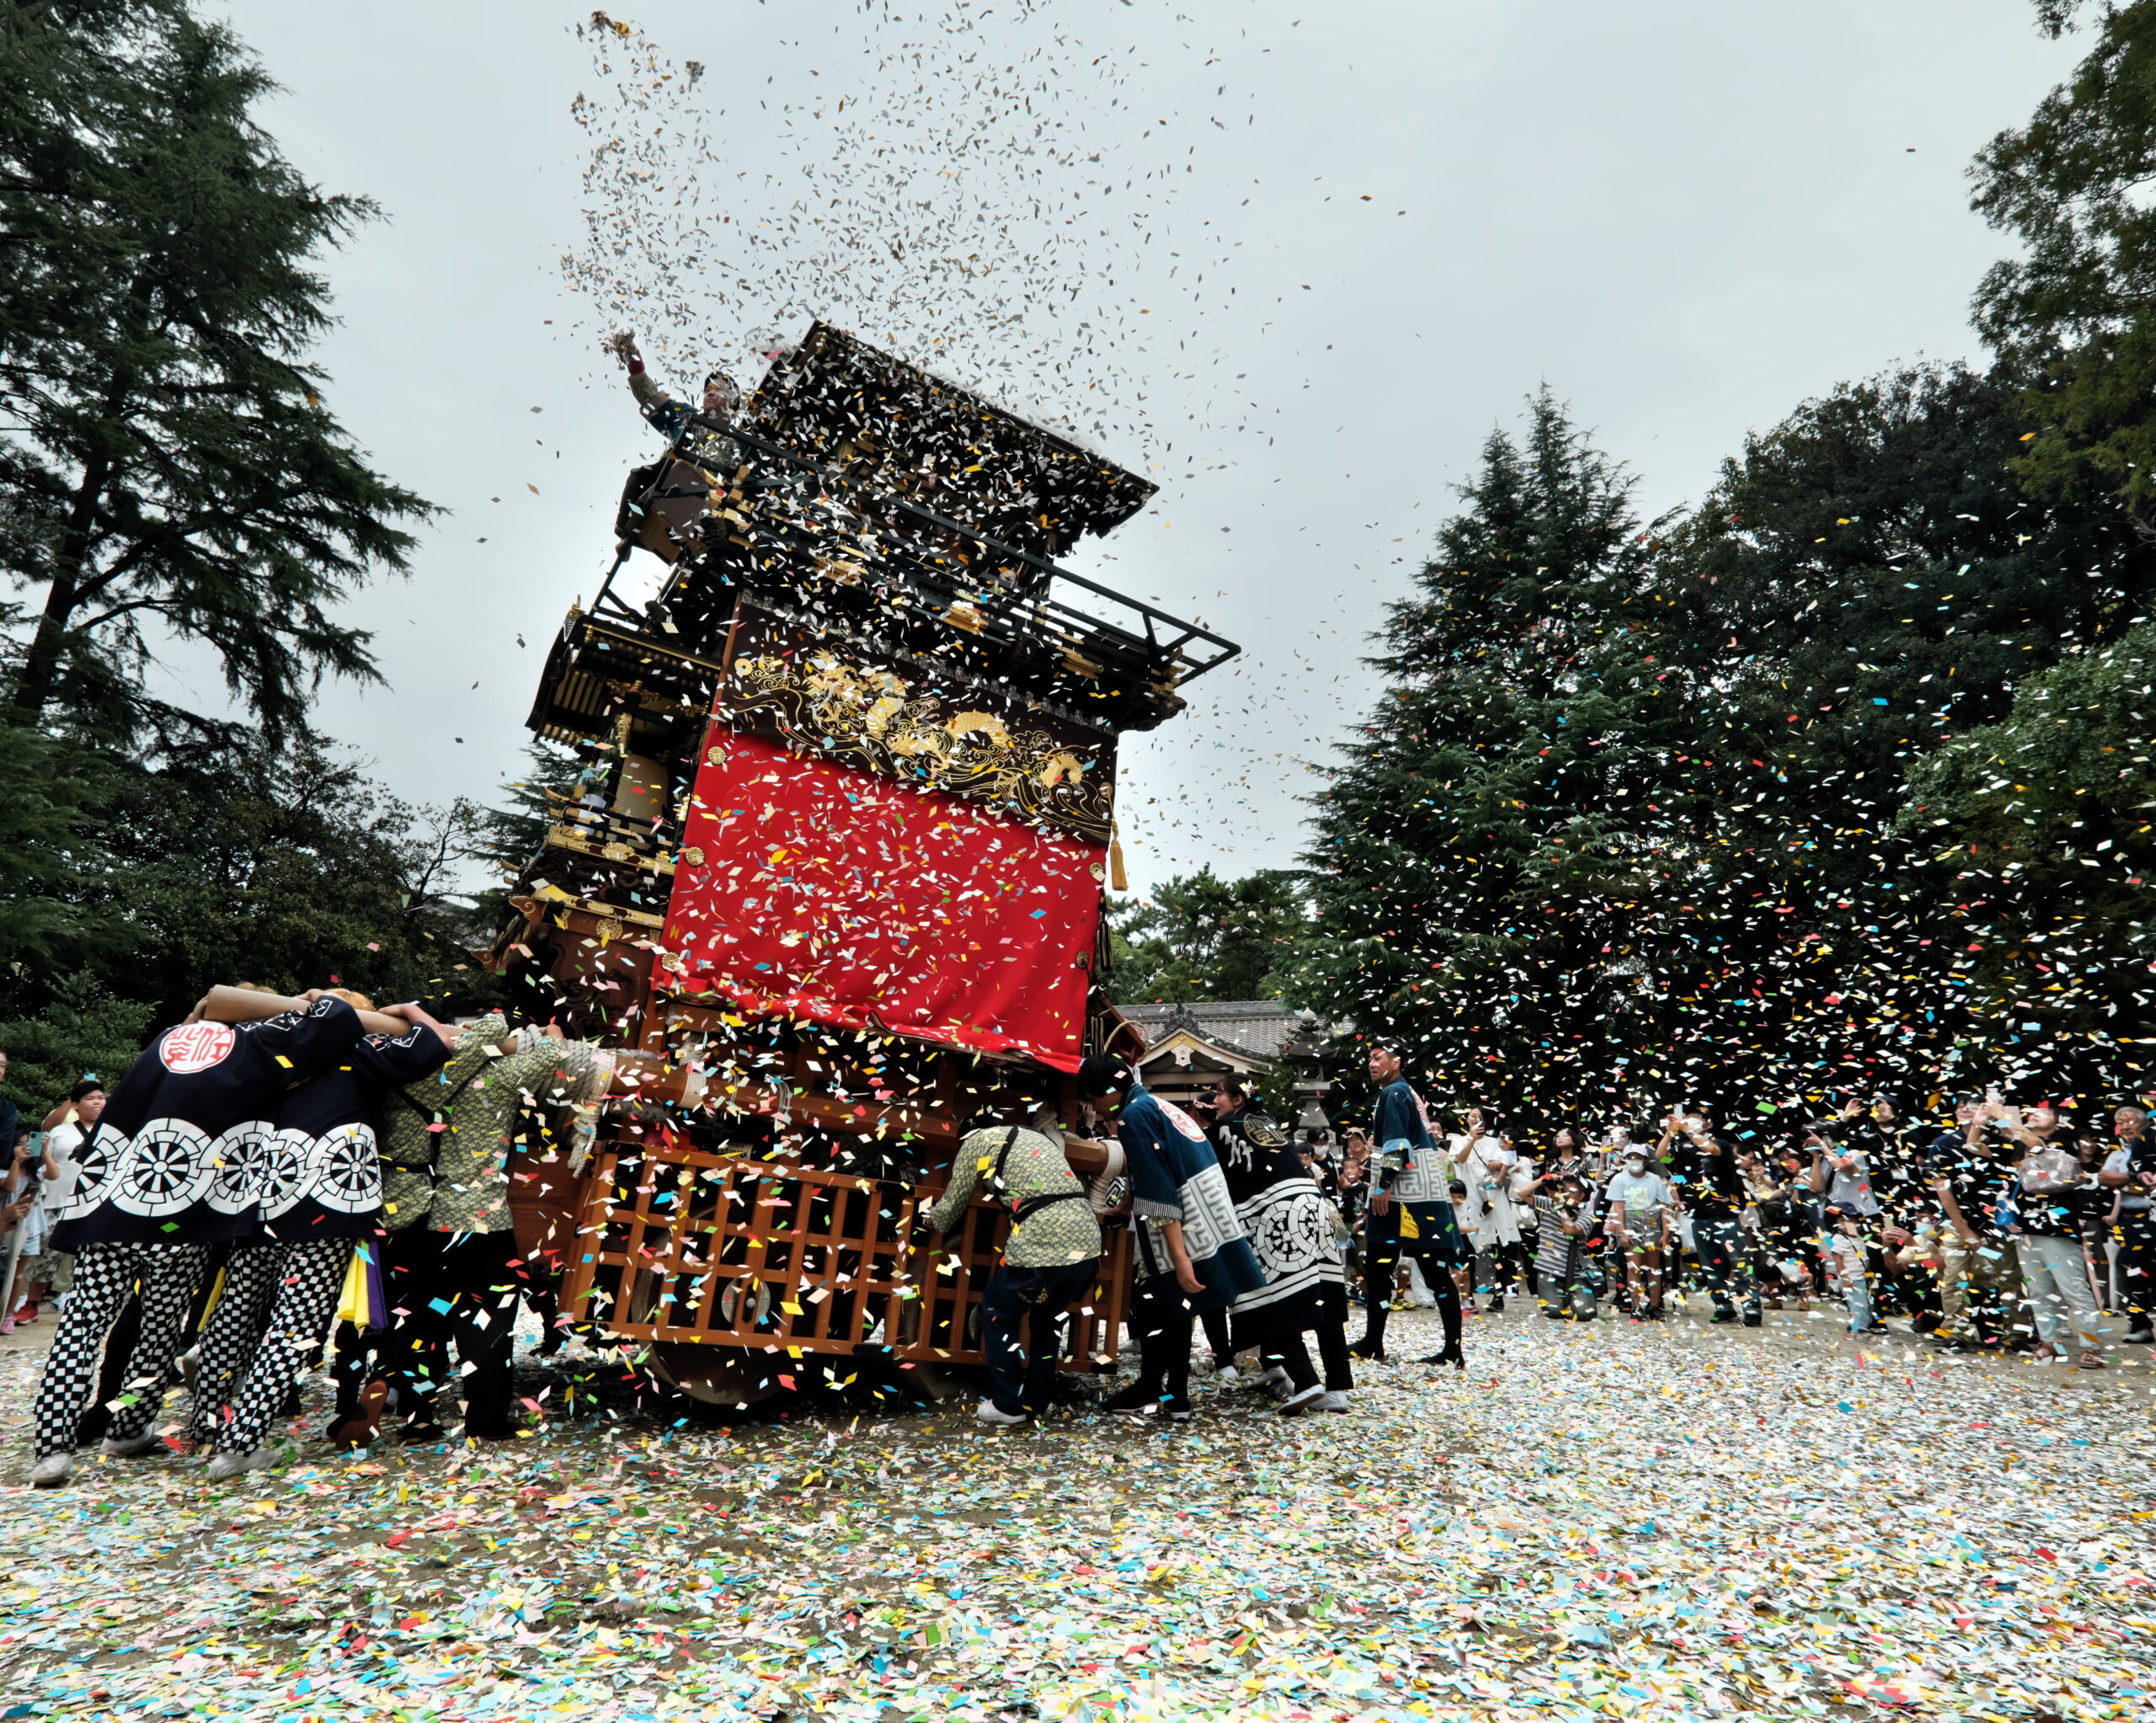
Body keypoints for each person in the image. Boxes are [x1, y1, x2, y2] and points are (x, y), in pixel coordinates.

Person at [28, 993, 365, 1487]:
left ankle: (53, 1451)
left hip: (109, 1204)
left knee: (80, 1326)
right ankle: (126, 1426)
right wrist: (307, 999)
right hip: (177, 1214)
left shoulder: (167, 1042)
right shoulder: (251, 1044)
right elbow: (335, 1018)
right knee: (160, 1327)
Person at [185, 992, 454, 1475]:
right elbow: (433, 1042)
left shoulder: (265, 1046)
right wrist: (407, 1013)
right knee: (296, 1324)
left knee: (236, 1310)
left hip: (259, 1191)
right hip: (323, 1197)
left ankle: (207, 1426)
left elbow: (202, 1026)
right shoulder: (353, 1051)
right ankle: (238, 1444)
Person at [355, 1011, 609, 1444]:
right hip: (479, 1222)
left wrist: (406, 1017)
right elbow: (528, 1044)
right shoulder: (500, 1081)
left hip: (407, 1219)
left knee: (416, 1322)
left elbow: (469, 1046)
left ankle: (417, 1418)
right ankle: (485, 1421)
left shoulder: (395, 1081)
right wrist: (550, 1033)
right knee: (487, 1327)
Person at [1076, 1054, 1263, 1422]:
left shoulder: (1135, 1115)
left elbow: (1160, 1186)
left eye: (1094, 1099)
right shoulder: (1159, 1105)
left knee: (1158, 1308)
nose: (1095, 1108)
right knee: (1177, 1310)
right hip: (1209, 1215)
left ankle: (1156, 1387)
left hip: (1182, 1223)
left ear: (1110, 1091)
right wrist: (1131, 1201)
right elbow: (1155, 1168)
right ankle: (1175, 1395)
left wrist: (1180, 1257)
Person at [924, 1110, 1102, 1427]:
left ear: (967, 1134)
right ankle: (1036, 1402)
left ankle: (1008, 1403)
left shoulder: (976, 1142)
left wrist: (932, 1218)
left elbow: (952, 1207)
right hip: (1087, 1244)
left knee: (995, 1312)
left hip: (1042, 1243)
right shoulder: (1038, 1139)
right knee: (1048, 1321)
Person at [1205, 1079, 1351, 1415]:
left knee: (1270, 1297)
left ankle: (1305, 1381)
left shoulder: (1224, 1127)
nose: (1214, 1101)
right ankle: (1334, 1386)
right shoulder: (1266, 1121)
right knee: (1325, 1299)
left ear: (1238, 1099)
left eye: (1220, 1094)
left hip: (1277, 1214)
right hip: (1315, 1208)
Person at [1355, 1041, 1467, 1368]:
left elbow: (1398, 1144)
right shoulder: (1407, 1092)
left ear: (1397, 1061)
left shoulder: (1393, 1093)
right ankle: (1450, 1348)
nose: (1372, 1063)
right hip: (1425, 1191)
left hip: (1404, 1194)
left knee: (1381, 1270)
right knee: (1429, 1273)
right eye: (1369, 1059)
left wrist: (1384, 1185)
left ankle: (1377, 1342)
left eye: (1378, 1058)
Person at [2007, 1106, 2105, 1369]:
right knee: (2038, 1289)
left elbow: (2042, 1166)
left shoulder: (2068, 1143)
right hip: (2025, 1229)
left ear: (2057, 1119)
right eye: (2031, 1112)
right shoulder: (2020, 1145)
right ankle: (2048, 1341)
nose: (2034, 1114)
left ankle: (2091, 1347)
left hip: (2058, 1229)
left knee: (2073, 1289)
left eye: (2043, 1111)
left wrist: (2005, 1115)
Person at [1929, 1099, 2025, 1351]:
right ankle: (1957, 1333)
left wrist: (2004, 1119)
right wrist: (1964, 1230)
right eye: (1961, 1106)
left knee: (2010, 1277)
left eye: (1974, 1107)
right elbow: (1943, 1190)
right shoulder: (1944, 1144)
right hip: (1959, 1221)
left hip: (2002, 1222)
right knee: (1955, 1278)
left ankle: (2016, 1334)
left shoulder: (2006, 1141)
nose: (1964, 1110)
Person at [1668, 1112, 1761, 1326]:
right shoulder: (1684, 1147)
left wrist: (1686, 1129)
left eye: (1696, 1119)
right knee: (1710, 1265)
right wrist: (1669, 1134)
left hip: (1726, 1215)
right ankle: (1723, 1306)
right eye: (1688, 1119)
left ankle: (1752, 1307)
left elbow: (1710, 1150)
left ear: (1708, 1123)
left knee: (1739, 1262)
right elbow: (1660, 1158)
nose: (1690, 1122)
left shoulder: (1720, 1144)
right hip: (1699, 1215)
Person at [607, 329, 742, 462]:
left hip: (708, 482)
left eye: (718, 389)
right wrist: (633, 358)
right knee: (639, 477)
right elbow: (649, 397)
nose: (711, 393)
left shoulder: (741, 441)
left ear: (734, 400)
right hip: (671, 477)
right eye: (707, 390)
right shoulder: (686, 416)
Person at [1449, 1109, 1522, 1314]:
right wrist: (1471, 1140)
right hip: (1470, 1196)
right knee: (1469, 1246)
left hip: (1494, 1195)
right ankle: (1467, 1295)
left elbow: (1509, 1160)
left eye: (1479, 1115)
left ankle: (1498, 1296)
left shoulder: (1495, 1141)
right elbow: (1459, 1160)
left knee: (1500, 1245)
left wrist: (1500, 1164)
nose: (1475, 1118)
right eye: (1472, 1115)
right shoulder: (1459, 1140)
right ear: (1466, 1119)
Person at [2099, 1104, 2155, 1344]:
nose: (2126, 1126)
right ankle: (2139, 1324)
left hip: (2151, 1212)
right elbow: (2103, 1178)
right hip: (2131, 1218)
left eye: (2131, 1121)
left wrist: (2124, 1184)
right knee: (2133, 1269)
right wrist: (2133, 1179)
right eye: (2121, 1122)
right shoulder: (2117, 1154)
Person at [1604, 1144, 1674, 1320]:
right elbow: (1618, 1207)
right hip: (1630, 1221)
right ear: (1625, 1160)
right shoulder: (1619, 1179)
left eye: (1638, 1157)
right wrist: (1622, 1232)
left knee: (1654, 1267)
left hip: (1651, 1221)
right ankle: (1636, 1306)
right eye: (1631, 1157)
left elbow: (1664, 1207)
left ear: (1645, 1160)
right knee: (1634, 1266)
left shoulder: (1655, 1180)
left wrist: (1666, 1233)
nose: (1634, 1161)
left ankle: (1655, 1306)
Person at [1530, 1175, 1595, 1320]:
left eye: (1571, 1191)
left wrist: (1560, 1205)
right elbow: (1522, 1193)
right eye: (1563, 1190)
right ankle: (1558, 1301)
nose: (1566, 1195)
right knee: (1554, 1313)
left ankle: (1576, 1300)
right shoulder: (1547, 1204)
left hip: (1576, 1273)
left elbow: (1571, 1230)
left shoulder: (1587, 1216)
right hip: (1548, 1270)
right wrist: (1545, 1180)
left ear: (1581, 1195)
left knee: (1585, 1314)